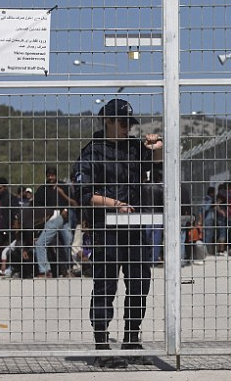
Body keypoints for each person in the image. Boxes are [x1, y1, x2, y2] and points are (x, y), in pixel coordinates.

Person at [72, 98, 162, 368]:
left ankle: (131, 341)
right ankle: (102, 346)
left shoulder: (134, 148)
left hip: (134, 227)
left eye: (129, 124)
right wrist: (115, 204)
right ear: (107, 121)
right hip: (106, 228)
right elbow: (84, 193)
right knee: (106, 286)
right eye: (122, 123)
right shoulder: (92, 152)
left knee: (139, 284)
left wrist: (157, 146)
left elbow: (155, 164)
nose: (127, 128)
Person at [34, 166, 78, 278]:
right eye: (48, 176)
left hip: (64, 218)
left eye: (52, 175)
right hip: (51, 218)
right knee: (45, 243)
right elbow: (36, 205)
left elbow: (74, 203)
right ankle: (47, 270)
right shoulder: (42, 189)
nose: (50, 178)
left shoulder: (64, 187)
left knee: (68, 242)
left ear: (56, 175)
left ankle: (68, 268)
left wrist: (62, 195)